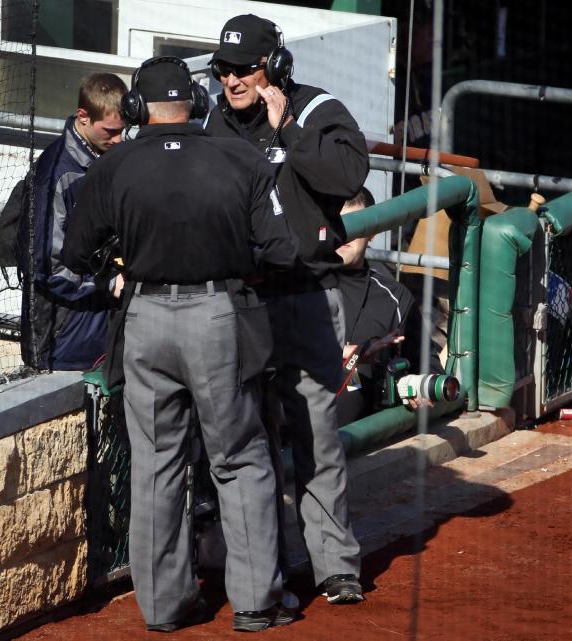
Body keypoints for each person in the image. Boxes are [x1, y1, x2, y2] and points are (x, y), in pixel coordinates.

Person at [62, 57, 299, 633]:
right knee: (240, 460)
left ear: (138, 109)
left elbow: (74, 255)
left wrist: (122, 261)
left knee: (155, 465)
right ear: (195, 101)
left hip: (143, 319)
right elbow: (282, 251)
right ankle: (253, 604)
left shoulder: (115, 163)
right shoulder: (240, 157)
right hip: (218, 317)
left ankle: (164, 608)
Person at [203, 14, 370, 603]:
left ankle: (335, 567)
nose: (231, 81)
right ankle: (263, 571)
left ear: (273, 66)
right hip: (241, 300)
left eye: (243, 69)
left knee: (317, 437)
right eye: (223, 70)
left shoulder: (319, 109)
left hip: (305, 295)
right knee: (248, 442)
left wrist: (288, 128)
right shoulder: (212, 123)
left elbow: (349, 174)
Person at [14, 73, 127, 371]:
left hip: (103, 330)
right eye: (111, 131)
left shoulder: (109, 158)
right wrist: (108, 282)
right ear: (83, 117)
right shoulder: (54, 176)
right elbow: (46, 267)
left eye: (123, 130)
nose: (118, 140)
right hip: (64, 342)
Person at [335, 188, 445, 425]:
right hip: (292, 440)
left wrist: (419, 387)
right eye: (338, 223)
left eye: (355, 225)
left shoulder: (393, 297)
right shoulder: (297, 284)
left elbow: (428, 366)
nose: (345, 234)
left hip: (365, 447)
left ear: (372, 232)